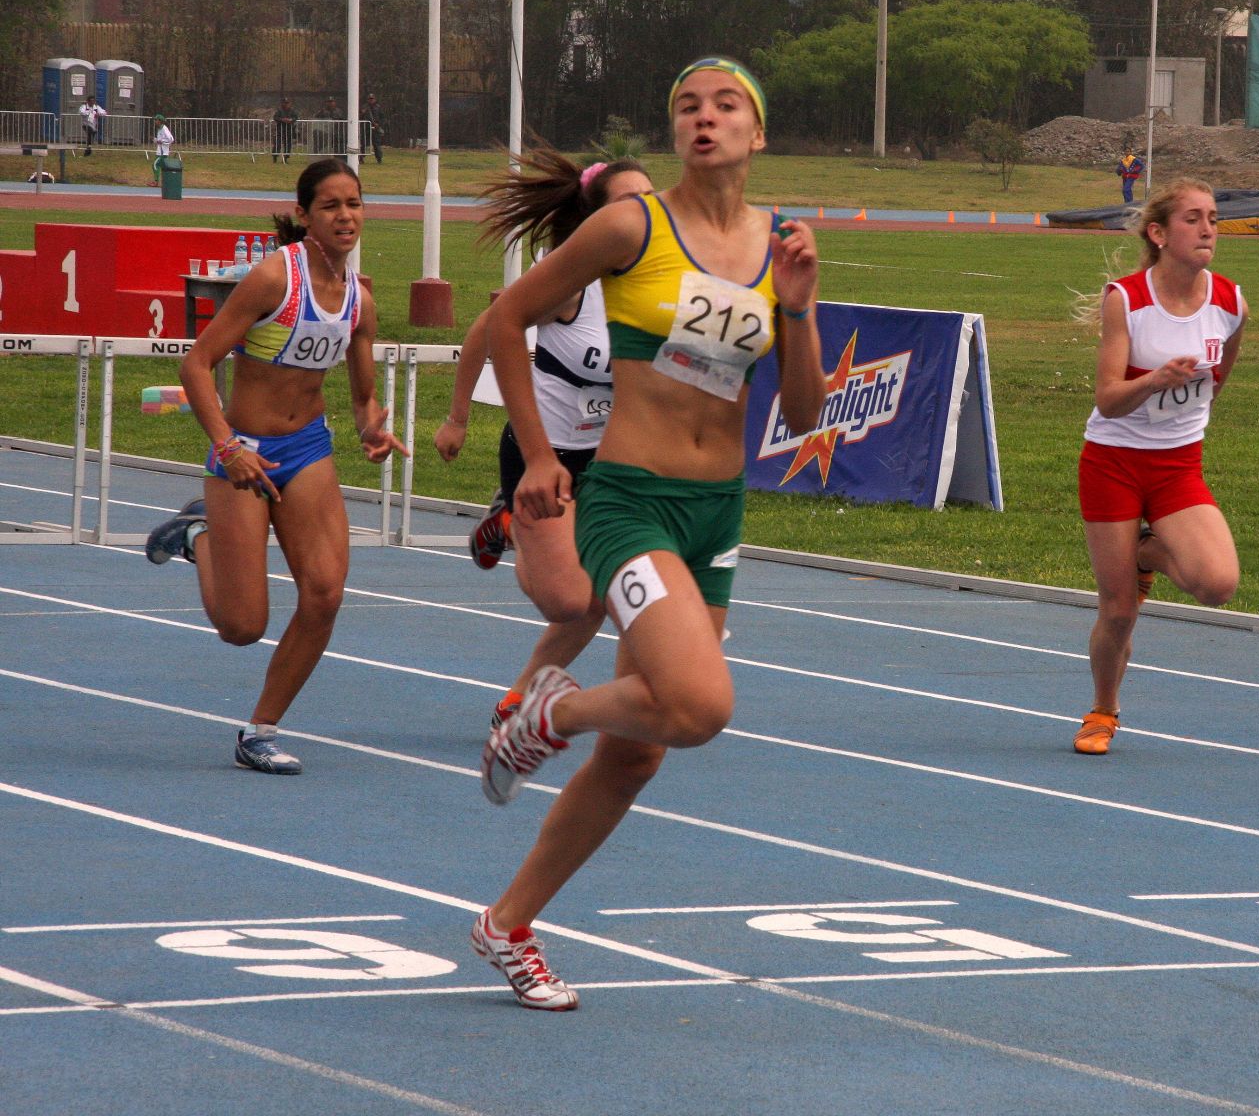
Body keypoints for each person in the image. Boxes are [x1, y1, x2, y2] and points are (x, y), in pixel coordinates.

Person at [469, 56, 827, 1010]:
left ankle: (506, 925)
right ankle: (548, 715)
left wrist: (797, 307)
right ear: (676, 132)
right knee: (701, 705)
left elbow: (799, 409)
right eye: (686, 106)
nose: (704, 119)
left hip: (718, 511)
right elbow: (506, 320)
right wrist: (542, 459)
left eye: (724, 105)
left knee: (644, 747)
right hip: (629, 501)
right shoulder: (634, 225)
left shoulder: (778, 243)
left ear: (757, 129)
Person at [143, 159, 409, 774]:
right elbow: (196, 365)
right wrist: (229, 447)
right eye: (331, 206)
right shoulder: (272, 279)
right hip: (243, 450)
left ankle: (260, 730)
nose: (346, 216)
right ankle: (196, 535)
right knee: (241, 626)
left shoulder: (360, 302)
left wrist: (372, 427)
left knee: (325, 594)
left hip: (308, 450)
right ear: (304, 217)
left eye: (354, 203)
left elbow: (362, 394)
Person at [435, 154, 654, 729]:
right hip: (544, 460)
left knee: (603, 595)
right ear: (596, 219)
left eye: (651, 200)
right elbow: (489, 327)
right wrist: (457, 417)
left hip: (609, 466)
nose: (644, 213)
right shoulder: (570, 283)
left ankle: (521, 697)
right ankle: (508, 521)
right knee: (565, 600)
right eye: (628, 202)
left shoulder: (658, 287)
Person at [1072, 178, 1246, 756]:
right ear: (1159, 233)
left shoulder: (1231, 301)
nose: (1207, 230)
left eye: (1214, 219)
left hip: (1177, 465)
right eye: (1193, 219)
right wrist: (1154, 381)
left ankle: (1146, 551)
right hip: (1113, 462)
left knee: (1218, 583)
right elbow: (1106, 398)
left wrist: (1185, 412)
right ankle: (1102, 710)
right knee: (1118, 609)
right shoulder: (1126, 299)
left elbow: (1219, 379)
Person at [361, 93, 384, 165]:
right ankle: (361, 158)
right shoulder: (364, 107)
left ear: (375, 99)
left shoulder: (378, 107)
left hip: (375, 128)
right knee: (363, 144)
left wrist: (378, 124)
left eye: (372, 99)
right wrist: (362, 113)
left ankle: (379, 159)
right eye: (369, 99)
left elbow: (383, 118)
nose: (371, 100)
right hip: (366, 127)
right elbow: (360, 116)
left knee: (377, 144)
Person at [272, 97, 297, 163]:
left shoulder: (292, 111)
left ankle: (285, 159)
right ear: (282, 103)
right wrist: (282, 120)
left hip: (289, 130)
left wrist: (291, 120)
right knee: (277, 144)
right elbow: (275, 117)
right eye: (285, 103)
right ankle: (275, 157)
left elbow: (296, 117)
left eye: (287, 103)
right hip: (280, 130)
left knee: (288, 145)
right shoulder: (279, 111)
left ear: (289, 103)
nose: (286, 104)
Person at [152, 116, 175, 184]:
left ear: (160, 121)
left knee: (155, 165)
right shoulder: (159, 129)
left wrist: (162, 141)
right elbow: (160, 140)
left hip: (163, 153)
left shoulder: (164, 129)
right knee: (160, 167)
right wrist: (156, 140)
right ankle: (161, 181)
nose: (155, 121)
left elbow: (171, 139)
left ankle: (156, 182)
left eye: (156, 120)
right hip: (159, 152)